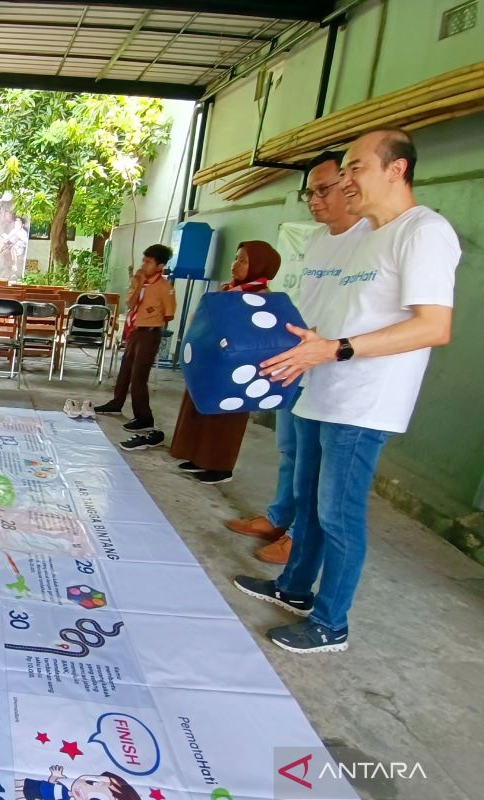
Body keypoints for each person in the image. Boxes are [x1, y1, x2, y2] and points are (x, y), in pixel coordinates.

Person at [236, 129, 459, 654]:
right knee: (311, 504)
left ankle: (331, 623)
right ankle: (294, 590)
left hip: (364, 400)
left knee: (339, 512)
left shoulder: (423, 232)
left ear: (396, 170)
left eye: (356, 168)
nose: (345, 179)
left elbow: (434, 327)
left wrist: (335, 350)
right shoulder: (366, 233)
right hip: (320, 386)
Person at [225, 151, 369, 565]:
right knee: (290, 452)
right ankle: (277, 518)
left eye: (324, 189)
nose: (314, 199)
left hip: (336, 373)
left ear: (348, 184)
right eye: (310, 191)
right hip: (298, 366)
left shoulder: (370, 239)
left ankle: (301, 541)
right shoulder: (320, 240)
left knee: (319, 473)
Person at [140, 241, 280, 485]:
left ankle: (219, 466)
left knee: (226, 415)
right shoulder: (228, 290)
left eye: (243, 260)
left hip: (235, 367)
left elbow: (254, 334)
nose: (235, 264)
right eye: (236, 258)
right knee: (201, 406)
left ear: (260, 266)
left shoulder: (264, 299)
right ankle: (198, 457)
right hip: (210, 361)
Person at [96, 244, 175, 431]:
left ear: (160, 266)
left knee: (139, 376)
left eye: (148, 262)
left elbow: (169, 314)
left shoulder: (165, 287)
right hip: (135, 331)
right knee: (125, 370)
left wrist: (152, 316)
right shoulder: (138, 282)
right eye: (143, 260)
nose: (144, 265)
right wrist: (138, 284)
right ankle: (116, 403)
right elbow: (130, 305)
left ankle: (144, 417)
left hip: (150, 333)